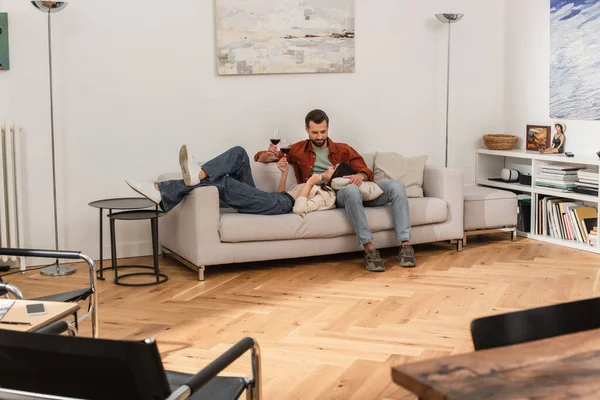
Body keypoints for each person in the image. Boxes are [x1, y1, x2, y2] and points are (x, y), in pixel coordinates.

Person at [255, 109, 415, 272]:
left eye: (323, 132)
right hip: (333, 195)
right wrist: (269, 155)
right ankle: (369, 249)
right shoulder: (298, 149)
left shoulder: (343, 149)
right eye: (315, 132)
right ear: (307, 130)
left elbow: (365, 170)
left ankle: (405, 245)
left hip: (355, 187)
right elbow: (262, 157)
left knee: (397, 186)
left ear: (328, 129)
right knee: (352, 191)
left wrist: (360, 175)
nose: (319, 137)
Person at [125, 145, 346, 217]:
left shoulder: (328, 196)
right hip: (275, 199)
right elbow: (284, 194)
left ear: (336, 179)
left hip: (280, 205)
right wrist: (284, 175)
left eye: (332, 168)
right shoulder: (317, 185)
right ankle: (199, 174)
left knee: (222, 182)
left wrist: (308, 184)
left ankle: (162, 191)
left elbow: (298, 209)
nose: (328, 167)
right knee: (240, 153)